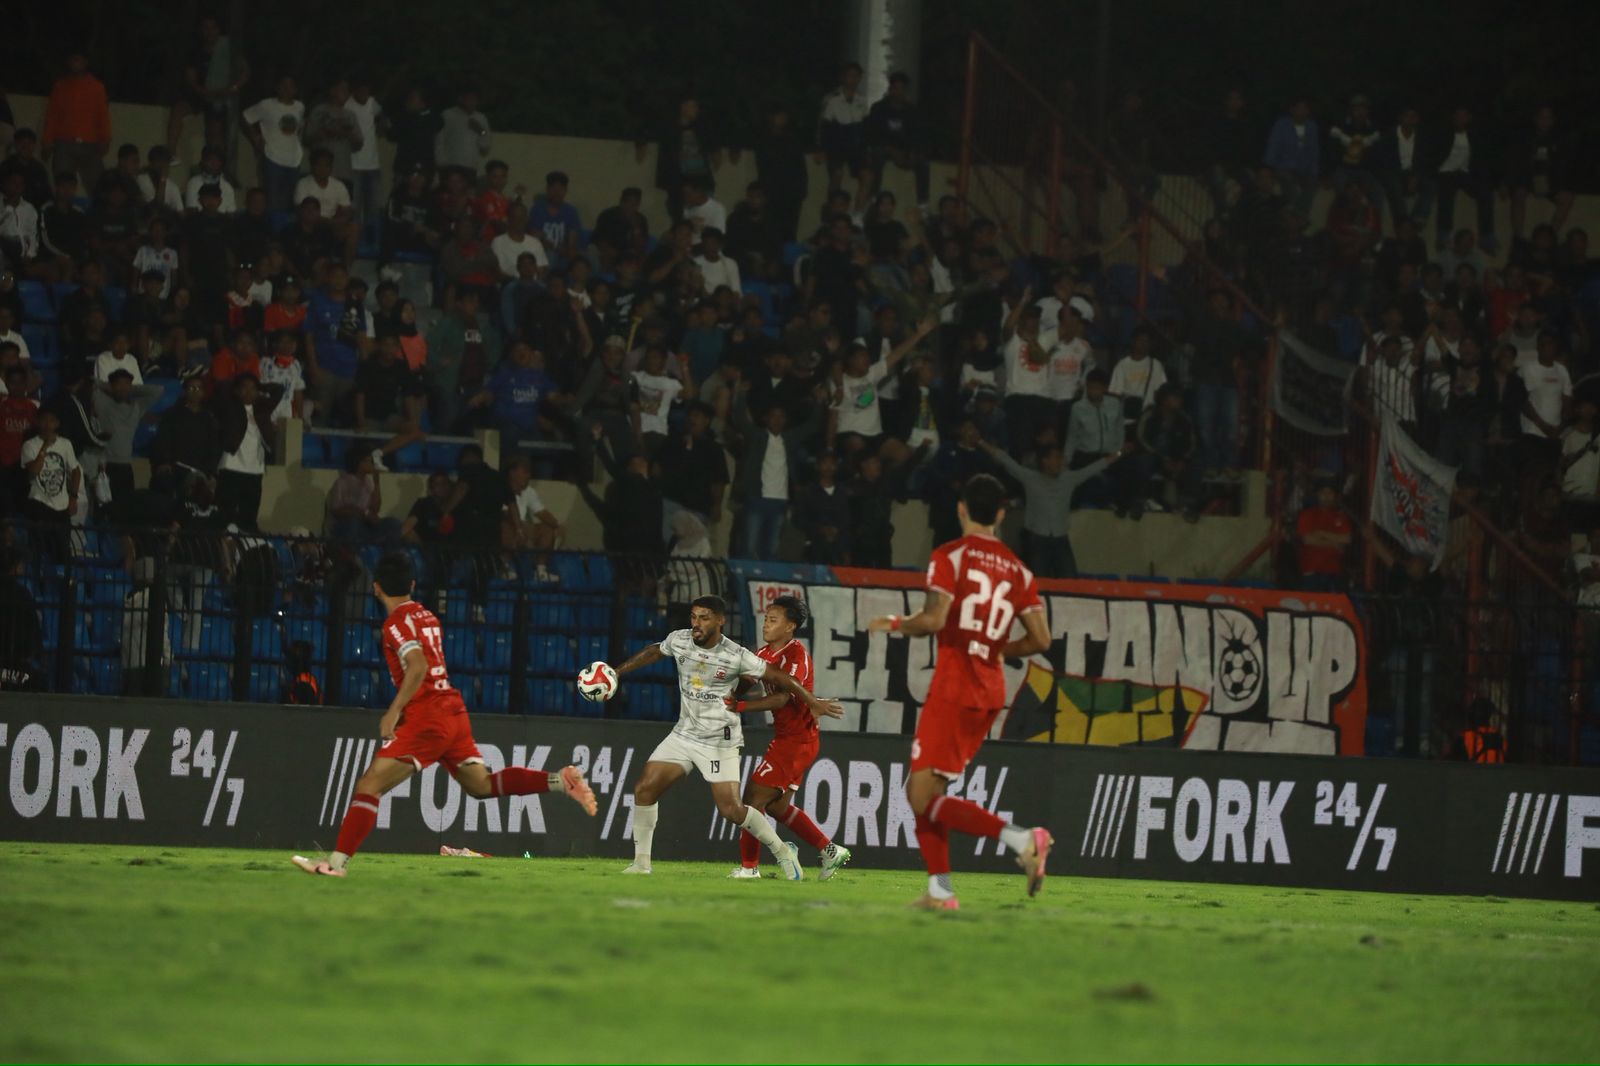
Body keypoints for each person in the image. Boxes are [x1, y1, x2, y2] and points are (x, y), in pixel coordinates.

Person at [292, 552, 596, 876]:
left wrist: (393, 712)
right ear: (411, 584)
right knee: (480, 785)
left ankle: (335, 865)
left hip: (428, 716)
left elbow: (419, 666)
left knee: (369, 785)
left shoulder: (395, 623)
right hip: (453, 711)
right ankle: (557, 781)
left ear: (376, 589)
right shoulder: (426, 616)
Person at [866, 475, 1055, 910]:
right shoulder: (1019, 570)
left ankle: (1024, 839)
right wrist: (997, 648)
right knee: (928, 796)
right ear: (1003, 515)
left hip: (955, 687)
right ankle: (940, 892)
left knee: (920, 797)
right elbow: (1041, 640)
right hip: (990, 690)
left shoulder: (950, 556)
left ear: (961, 509)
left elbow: (934, 621)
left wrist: (894, 623)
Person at [600, 594, 844, 876]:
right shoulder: (685, 640)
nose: (696, 624)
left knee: (737, 808)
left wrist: (807, 701)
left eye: (704, 618)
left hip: (733, 740)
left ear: (720, 621)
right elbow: (656, 650)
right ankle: (642, 864)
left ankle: (778, 853)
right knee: (645, 789)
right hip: (684, 734)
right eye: (693, 617)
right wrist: (616, 673)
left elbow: (781, 688)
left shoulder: (755, 654)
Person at [726, 596, 850, 880]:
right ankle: (830, 850)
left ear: (790, 626)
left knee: (752, 801)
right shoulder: (765, 652)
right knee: (778, 806)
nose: (766, 625)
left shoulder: (796, 656)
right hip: (790, 738)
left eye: (773, 620)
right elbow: (748, 679)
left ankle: (750, 868)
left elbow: (783, 698)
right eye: (766, 619)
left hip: (796, 741)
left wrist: (739, 707)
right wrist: (729, 687)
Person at [981, 437, 1132, 577]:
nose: (1060, 462)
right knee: (1038, 583)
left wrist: (1119, 453)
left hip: (1060, 538)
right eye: (1056, 458)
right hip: (1037, 539)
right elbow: (1005, 460)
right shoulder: (1030, 478)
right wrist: (980, 442)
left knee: (1070, 580)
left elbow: (1096, 466)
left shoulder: (1069, 479)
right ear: (1045, 461)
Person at [42, 53, 111, 191]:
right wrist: (47, 141)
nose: (74, 63)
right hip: (64, 143)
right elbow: (52, 115)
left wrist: (105, 138)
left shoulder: (97, 87)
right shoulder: (60, 86)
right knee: (63, 184)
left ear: (85, 62)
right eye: (72, 60)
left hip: (90, 144)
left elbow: (102, 115)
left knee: (98, 186)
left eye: (77, 60)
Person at [242, 76, 305, 213]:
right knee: (272, 201)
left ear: (295, 89)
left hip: (294, 159)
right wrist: (255, 136)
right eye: (283, 86)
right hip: (272, 157)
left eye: (290, 86)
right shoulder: (267, 105)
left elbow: (299, 128)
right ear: (277, 88)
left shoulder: (300, 106)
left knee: (291, 201)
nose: (287, 90)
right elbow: (246, 117)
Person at [1294, 481, 1352, 591]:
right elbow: (1307, 540)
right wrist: (1335, 544)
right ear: (1317, 495)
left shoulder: (1341, 517)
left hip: (1334, 573)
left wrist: (1321, 533)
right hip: (1311, 571)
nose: (1326, 497)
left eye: (1330, 493)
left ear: (1335, 496)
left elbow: (1347, 538)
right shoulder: (1307, 514)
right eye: (1323, 493)